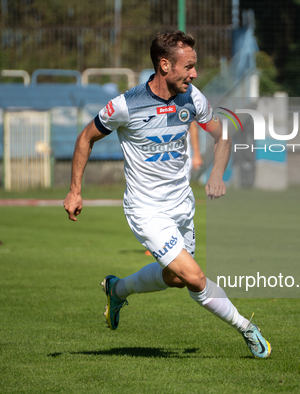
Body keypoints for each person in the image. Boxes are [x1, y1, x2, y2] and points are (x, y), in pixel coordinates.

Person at [63, 30, 271, 359]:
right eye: (188, 66)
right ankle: (246, 328)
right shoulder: (125, 106)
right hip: (146, 210)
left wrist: (217, 173)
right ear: (164, 65)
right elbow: (85, 138)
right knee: (195, 277)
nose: (195, 73)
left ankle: (117, 290)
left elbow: (223, 135)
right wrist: (75, 190)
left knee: (176, 279)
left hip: (182, 205)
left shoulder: (192, 98)